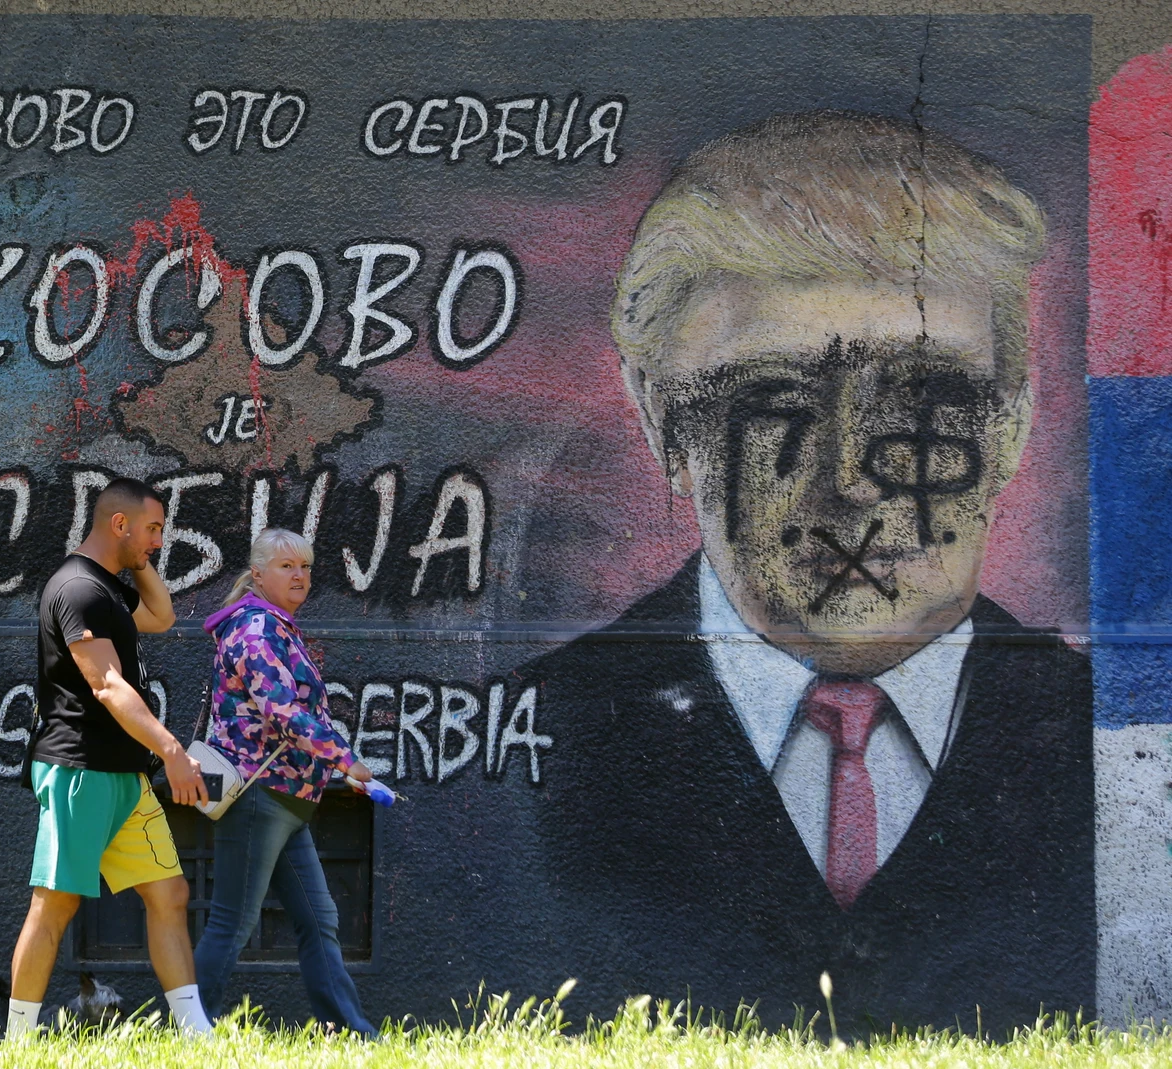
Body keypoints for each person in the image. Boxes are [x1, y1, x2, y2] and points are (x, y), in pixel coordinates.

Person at [504, 111, 1093, 1031]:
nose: (852, 478)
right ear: (664, 425)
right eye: (773, 403)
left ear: (1011, 422)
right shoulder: (524, 741)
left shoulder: (1120, 741)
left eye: (924, 396)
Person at [6, 478, 213, 1038]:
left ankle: (197, 1035)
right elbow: (107, 685)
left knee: (169, 892)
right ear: (118, 524)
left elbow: (162, 615)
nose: (158, 542)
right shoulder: (76, 589)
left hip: (124, 774)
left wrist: (139, 559)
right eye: (151, 530)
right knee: (55, 906)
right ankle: (16, 1040)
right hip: (81, 772)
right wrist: (170, 749)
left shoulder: (106, 589)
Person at [193, 528, 378, 1036]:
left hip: (288, 797)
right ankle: (191, 1027)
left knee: (319, 921)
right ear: (258, 574)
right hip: (260, 794)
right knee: (232, 923)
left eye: (306, 566)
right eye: (286, 567)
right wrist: (347, 762)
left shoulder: (276, 627)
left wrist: (336, 767)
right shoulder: (255, 631)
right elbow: (283, 712)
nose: (300, 576)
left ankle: (350, 1032)